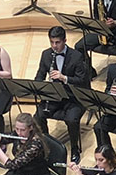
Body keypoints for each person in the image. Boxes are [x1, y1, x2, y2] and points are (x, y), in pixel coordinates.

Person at [33, 26, 89, 162]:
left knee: (71, 119)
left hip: (73, 98)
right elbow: (40, 75)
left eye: (57, 42)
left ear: (65, 40)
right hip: (54, 97)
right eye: (52, 42)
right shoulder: (46, 54)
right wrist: (39, 86)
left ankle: (75, 148)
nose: (54, 46)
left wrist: (64, 78)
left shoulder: (76, 56)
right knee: (38, 116)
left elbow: (82, 81)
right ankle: (46, 145)